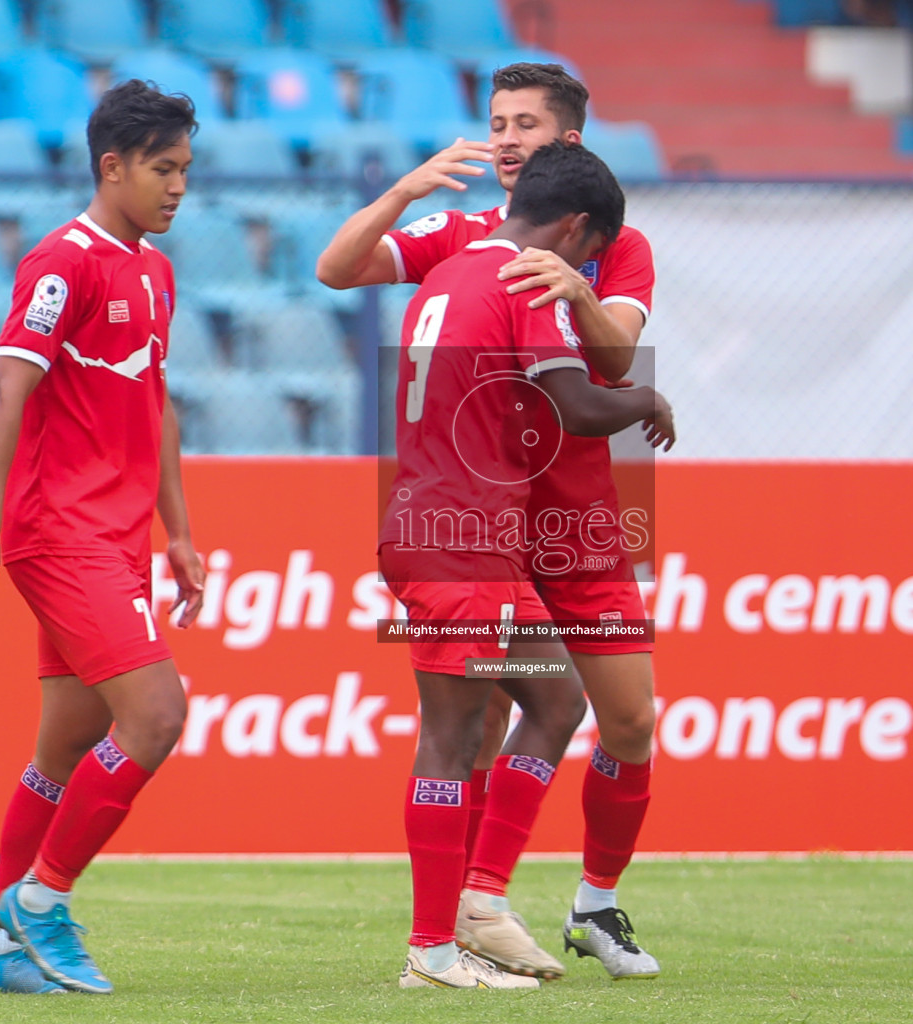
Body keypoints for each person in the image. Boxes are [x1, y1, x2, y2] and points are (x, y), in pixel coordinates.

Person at [319, 62, 665, 980]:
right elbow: (337, 268)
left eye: (526, 125)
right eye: (497, 122)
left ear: (570, 144)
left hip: (556, 523)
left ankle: (579, 906)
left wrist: (579, 289)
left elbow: (618, 346)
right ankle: (456, 922)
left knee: (618, 718)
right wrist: (401, 190)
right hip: (474, 525)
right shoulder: (481, 246)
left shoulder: (601, 247)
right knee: (474, 724)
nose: (505, 139)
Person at [0, 80, 204, 995]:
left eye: (185, 170)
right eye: (164, 169)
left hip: (119, 536)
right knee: (158, 716)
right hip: (60, 534)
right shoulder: (65, 262)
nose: (178, 187)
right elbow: (9, 387)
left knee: (64, 747)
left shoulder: (156, 271)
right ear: (113, 166)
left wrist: (178, 529)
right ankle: (41, 903)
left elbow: (156, 403)